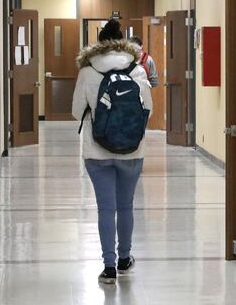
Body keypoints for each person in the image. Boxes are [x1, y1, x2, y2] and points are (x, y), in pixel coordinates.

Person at [71, 19, 153, 284]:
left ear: (99, 44)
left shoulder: (87, 70)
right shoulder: (137, 69)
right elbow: (147, 108)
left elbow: (75, 111)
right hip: (132, 150)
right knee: (126, 205)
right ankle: (124, 259)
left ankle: (108, 268)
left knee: (105, 208)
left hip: (96, 150)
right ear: (122, 42)